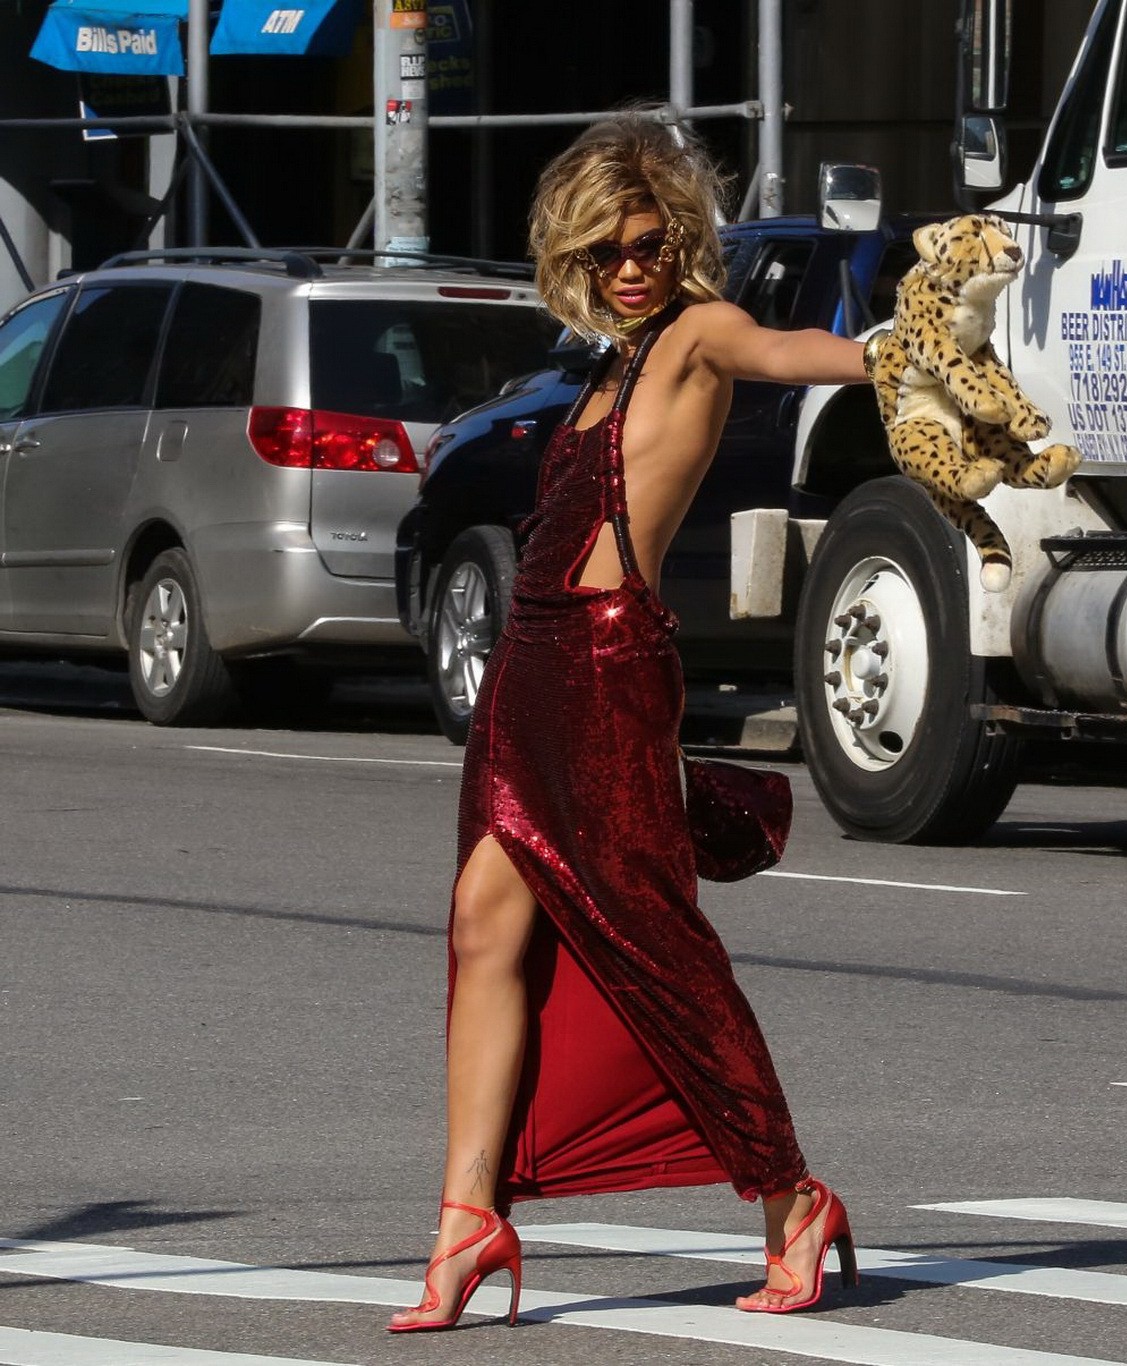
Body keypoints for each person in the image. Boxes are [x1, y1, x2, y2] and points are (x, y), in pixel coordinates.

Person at [388, 114, 872, 1335]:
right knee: (480, 921)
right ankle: (465, 1218)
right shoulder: (605, 366)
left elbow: (799, 349)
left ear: (680, 234)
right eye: (604, 250)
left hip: (607, 665)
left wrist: (908, 354)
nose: (629, 266)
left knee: (655, 945)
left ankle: (788, 1194)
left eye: (647, 240)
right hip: (527, 664)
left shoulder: (700, 335)